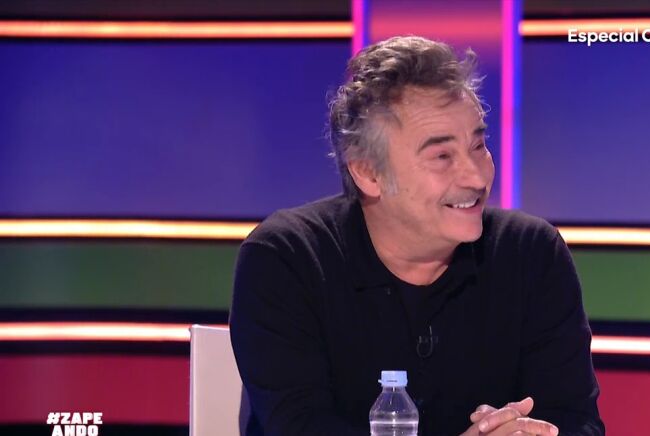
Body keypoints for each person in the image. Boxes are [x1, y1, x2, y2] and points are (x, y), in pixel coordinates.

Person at [230, 35, 604, 436]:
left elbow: (576, 421)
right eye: (442, 156)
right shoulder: (287, 259)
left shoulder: (531, 254)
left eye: (478, 145)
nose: (477, 177)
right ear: (368, 173)